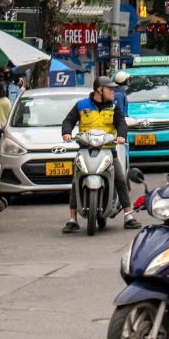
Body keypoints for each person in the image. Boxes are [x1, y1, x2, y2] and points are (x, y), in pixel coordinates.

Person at [60, 73, 135, 232]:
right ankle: (72, 219)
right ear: (99, 90)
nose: (114, 92)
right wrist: (66, 132)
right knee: (76, 181)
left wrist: (121, 136)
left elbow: (121, 124)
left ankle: (129, 215)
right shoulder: (81, 105)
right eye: (110, 89)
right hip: (85, 150)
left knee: (120, 178)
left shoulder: (114, 106)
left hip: (108, 150)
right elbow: (69, 120)